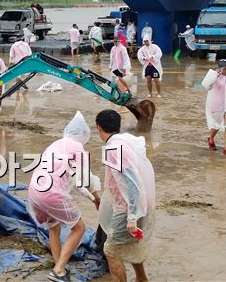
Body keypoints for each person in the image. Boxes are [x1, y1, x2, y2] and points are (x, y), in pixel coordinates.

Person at [28, 111, 101, 282]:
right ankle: (59, 270)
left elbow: (77, 184)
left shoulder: (56, 145)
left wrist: (92, 199)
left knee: (54, 227)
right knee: (79, 228)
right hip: (51, 193)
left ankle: (58, 265)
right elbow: (87, 178)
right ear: (83, 135)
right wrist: (98, 198)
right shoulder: (77, 148)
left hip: (34, 192)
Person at [95, 109, 156, 282]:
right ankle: (141, 278)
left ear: (99, 128)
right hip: (140, 203)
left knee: (111, 250)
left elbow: (132, 181)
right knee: (131, 244)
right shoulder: (127, 140)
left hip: (128, 206)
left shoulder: (114, 148)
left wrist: (132, 217)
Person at [201, 60, 226, 156]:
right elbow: (206, 85)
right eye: (223, 68)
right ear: (219, 68)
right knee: (216, 126)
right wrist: (214, 75)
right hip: (216, 105)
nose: (225, 70)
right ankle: (210, 139)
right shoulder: (214, 77)